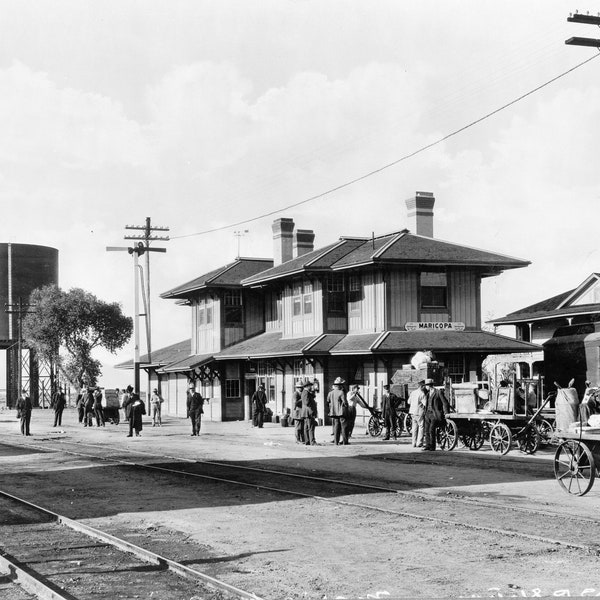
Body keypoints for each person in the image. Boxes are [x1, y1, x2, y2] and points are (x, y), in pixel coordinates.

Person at [423, 379, 450, 451]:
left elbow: (445, 402)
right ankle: (428, 445)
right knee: (426, 430)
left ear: (429, 386)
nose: (425, 387)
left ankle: (432, 446)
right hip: (428, 414)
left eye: (426, 386)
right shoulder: (428, 394)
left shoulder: (438, 392)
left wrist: (446, 413)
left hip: (435, 414)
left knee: (432, 429)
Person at [328, 377, 349, 445]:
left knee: (336, 427)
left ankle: (336, 442)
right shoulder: (341, 392)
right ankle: (345, 441)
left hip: (333, 412)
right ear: (340, 385)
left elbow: (328, 402)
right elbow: (345, 402)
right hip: (341, 412)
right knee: (344, 427)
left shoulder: (330, 393)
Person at [408, 380, 427, 448]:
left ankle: (413, 443)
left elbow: (408, 402)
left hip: (412, 412)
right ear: (421, 386)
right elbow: (425, 403)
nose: (425, 387)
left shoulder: (413, 392)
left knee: (414, 428)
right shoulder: (422, 394)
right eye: (424, 386)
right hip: (419, 412)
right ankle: (419, 443)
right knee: (421, 427)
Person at [300, 379, 318, 445]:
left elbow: (313, 396)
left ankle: (307, 441)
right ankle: (312, 441)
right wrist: (312, 409)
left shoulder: (306, 392)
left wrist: (313, 392)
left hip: (306, 412)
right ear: (307, 386)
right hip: (308, 412)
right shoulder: (305, 393)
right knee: (311, 427)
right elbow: (306, 402)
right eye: (310, 386)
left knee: (307, 427)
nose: (311, 387)